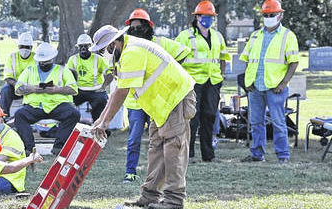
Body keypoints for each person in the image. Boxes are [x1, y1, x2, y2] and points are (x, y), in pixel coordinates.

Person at [90, 25, 196, 209]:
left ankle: (174, 199)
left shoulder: (132, 52)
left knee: (173, 148)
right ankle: (149, 195)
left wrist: (105, 122)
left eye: (104, 49)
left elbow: (122, 92)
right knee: (156, 148)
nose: (103, 54)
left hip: (174, 98)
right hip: (161, 104)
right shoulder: (125, 53)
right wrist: (100, 120)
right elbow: (116, 91)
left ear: (114, 43)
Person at [122, 9, 192, 183]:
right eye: (133, 28)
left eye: (139, 27)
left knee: (159, 141)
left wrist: (167, 73)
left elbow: (184, 52)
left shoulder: (160, 43)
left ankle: (155, 178)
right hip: (137, 102)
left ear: (148, 27)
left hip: (156, 101)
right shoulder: (128, 48)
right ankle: (130, 172)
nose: (136, 31)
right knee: (134, 139)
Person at [240, 0, 299, 164]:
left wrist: (283, 84)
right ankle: (257, 154)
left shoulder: (288, 36)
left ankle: (283, 155)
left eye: (271, 15)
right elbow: (247, 59)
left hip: (275, 88)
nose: (268, 18)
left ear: (280, 15)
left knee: (278, 122)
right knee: (256, 122)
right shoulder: (255, 35)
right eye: (265, 15)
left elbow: (294, 62)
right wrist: (248, 80)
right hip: (255, 87)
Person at [176, 1, 230, 163]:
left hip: (212, 82)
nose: (208, 19)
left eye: (211, 17)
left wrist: (221, 75)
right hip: (193, 83)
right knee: (192, 118)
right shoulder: (185, 36)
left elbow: (223, 58)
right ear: (197, 17)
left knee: (210, 116)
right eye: (205, 16)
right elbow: (175, 59)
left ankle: (209, 155)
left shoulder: (217, 36)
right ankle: (189, 154)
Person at [14, 42, 80, 156]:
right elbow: (18, 89)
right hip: (35, 107)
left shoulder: (62, 70)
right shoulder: (30, 70)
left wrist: (56, 90)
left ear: (52, 59)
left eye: (46, 61)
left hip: (57, 106)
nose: (43, 64)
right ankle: (29, 148)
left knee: (74, 114)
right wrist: (32, 88)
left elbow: (73, 89)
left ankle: (59, 146)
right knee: (19, 115)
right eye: (41, 62)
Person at [66, 33, 113, 122]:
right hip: (78, 90)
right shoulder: (73, 59)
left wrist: (103, 87)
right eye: (81, 46)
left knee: (101, 101)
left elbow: (110, 74)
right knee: (65, 102)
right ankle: (70, 127)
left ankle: (99, 127)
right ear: (78, 47)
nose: (83, 48)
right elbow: (67, 75)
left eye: (86, 46)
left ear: (91, 46)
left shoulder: (98, 59)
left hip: (96, 90)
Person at [0, 32, 35, 115]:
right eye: (22, 46)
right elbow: (8, 77)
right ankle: (4, 114)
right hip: (14, 87)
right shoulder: (12, 57)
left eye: (27, 47)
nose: (24, 49)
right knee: (5, 90)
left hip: (31, 88)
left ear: (31, 47)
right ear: (18, 46)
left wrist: (29, 88)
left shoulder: (36, 58)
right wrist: (17, 85)